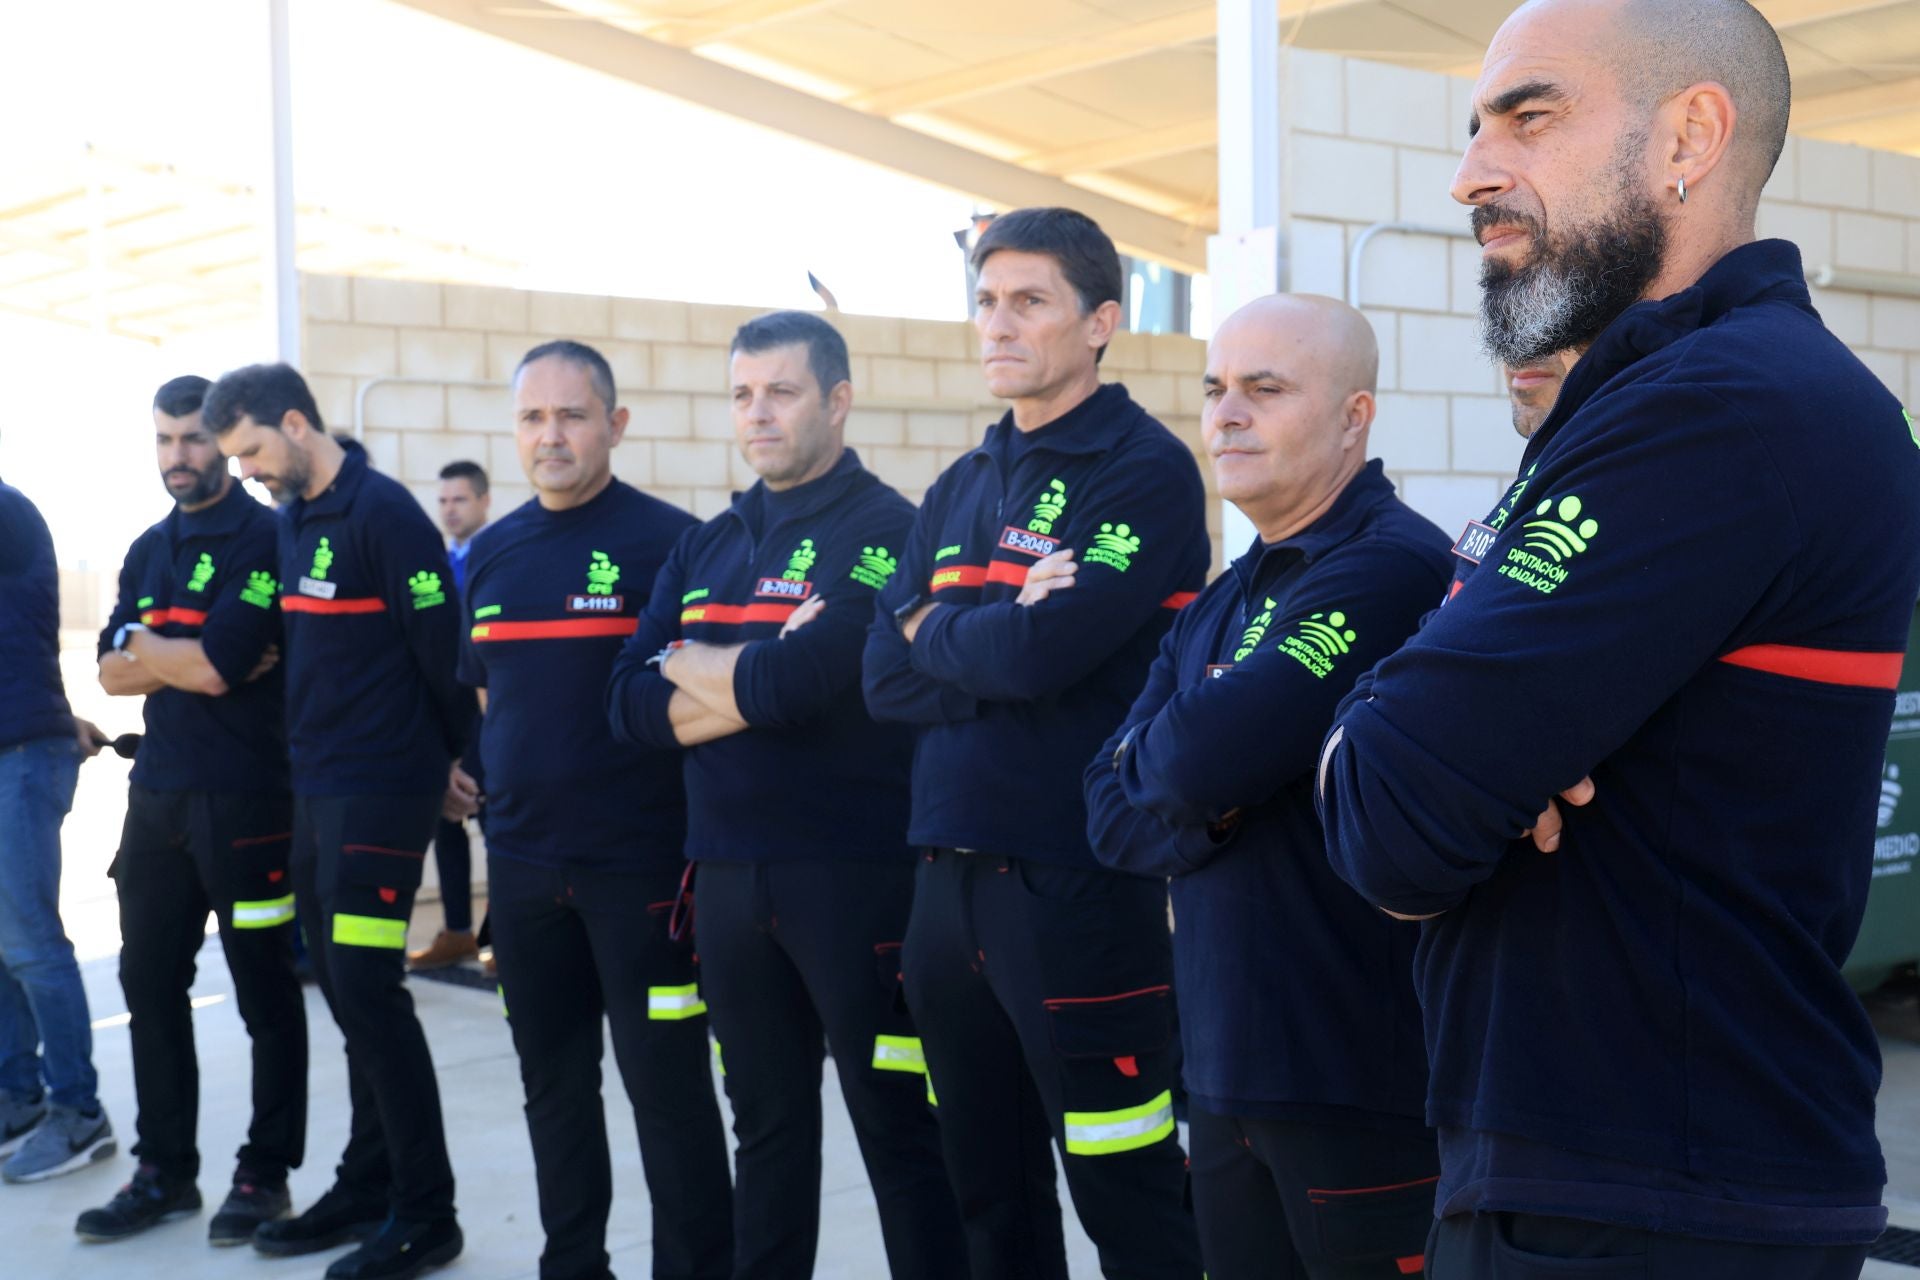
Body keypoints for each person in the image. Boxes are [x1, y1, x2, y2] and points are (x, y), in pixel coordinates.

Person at [1316, 2, 1920, 1277]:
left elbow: (1388, 813)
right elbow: (1419, 752)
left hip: (1649, 1201)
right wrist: (1448, 726)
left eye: (1528, 116)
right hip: (1600, 1174)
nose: (1472, 172)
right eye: (1476, 127)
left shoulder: (1728, 406)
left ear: (1689, 136)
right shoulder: (1645, 404)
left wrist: (1417, 727)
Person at [863, 206, 1209, 1280]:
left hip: (1072, 878)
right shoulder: (963, 481)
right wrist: (991, 626)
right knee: (988, 1189)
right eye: (986, 300)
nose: (997, 323)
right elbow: (879, 675)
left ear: (1102, 320)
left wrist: (940, 631)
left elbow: (1036, 661)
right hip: (941, 877)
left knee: (1125, 1182)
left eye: (1029, 301)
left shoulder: (1142, 468)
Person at [1085, 295, 1449, 1280]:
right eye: (1214, 389)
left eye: (1265, 388)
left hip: (1355, 1081)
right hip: (1223, 1068)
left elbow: (1188, 763)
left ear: (1354, 414)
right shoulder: (1227, 594)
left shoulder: (1390, 568)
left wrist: (1200, 779)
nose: (1226, 414)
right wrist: (1225, 794)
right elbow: (1108, 810)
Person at [609, 312, 965, 1280]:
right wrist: (742, 668)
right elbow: (628, 703)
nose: (757, 413)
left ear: (837, 400)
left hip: (855, 879)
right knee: (764, 1126)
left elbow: (807, 682)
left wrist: (693, 665)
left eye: (782, 391)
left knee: (901, 1130)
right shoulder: (710, 540)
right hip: (724, 875)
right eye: (741, 394)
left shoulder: (888, 529)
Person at [462, 341, 730, 1280]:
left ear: (615, 425)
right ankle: (572, 1262)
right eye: (533, 418)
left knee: (669, 1094)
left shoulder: (674, 545)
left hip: (644, 878)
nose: (552, 435)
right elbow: (492, 698)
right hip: (529, 877)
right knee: (554, 1091)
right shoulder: (488, 556)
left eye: (572, 415)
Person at [208, 363, 475, 1280]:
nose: (243, 470)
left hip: (382, 790)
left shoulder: (385, 514)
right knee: (339, 982)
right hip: (317, 789)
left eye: (249, 450)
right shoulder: (293, 523)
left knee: (366, 987)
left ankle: (426, 1213)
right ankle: (369, 1184)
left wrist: (454, 759)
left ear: (294, 422)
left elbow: (444, 653)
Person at [79, 374, 308, 1244]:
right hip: (158, 798)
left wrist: (155, 650)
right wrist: (167, 651)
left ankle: (265, 1174)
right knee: (148, 984)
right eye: (165, 441)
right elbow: (111, 670)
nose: (179, 457)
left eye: (194, 440)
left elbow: (220, 668)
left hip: (250, 799)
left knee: (263, 992)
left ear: (224, 440)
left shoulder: (266, 538)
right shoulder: (147, 548)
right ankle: (164, 1172)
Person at [0, 471, 112, 1185]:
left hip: (20, 757)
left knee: (31, 944)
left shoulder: (6, 510)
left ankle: (79, 1112)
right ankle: (17, 1097)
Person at [409, 460, 491, 973]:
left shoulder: (499, 557)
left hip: (490, 711)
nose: (449, 510)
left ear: (483, 501)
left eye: (459, 500)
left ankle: (503, 935)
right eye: (442, 501)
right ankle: (459, 929)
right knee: (448, 819)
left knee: (496, 818)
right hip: (447, 718)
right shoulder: (435, 563)